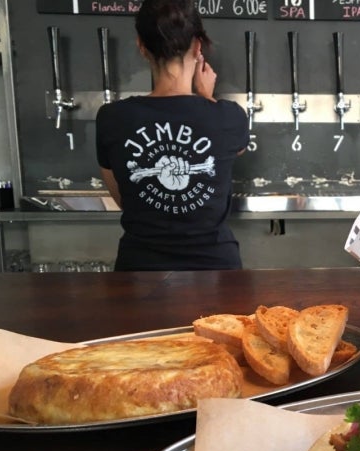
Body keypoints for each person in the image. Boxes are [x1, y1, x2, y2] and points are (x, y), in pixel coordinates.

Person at [95, 0, 249, 271]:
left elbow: (124, 199)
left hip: (138, 272)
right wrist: (206, 98)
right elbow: (229, 151)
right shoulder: (229, 117)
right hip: (216, 271)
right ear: (198, 46)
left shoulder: (111, 118)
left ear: (141, 46)